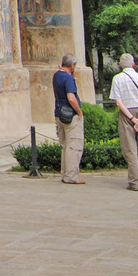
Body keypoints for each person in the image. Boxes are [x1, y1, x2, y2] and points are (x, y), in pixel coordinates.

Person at [109, 52, 138, 191]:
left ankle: (134, 182)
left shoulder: (117, 79)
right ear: (134, 64)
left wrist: (131, 118)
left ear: (120, 64)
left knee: (131, 149)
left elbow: (118, 102)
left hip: (126, 113)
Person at [52, 53, 85, 184]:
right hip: (70, 115)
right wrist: (79, 111)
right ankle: (71, 176)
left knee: (65, 146)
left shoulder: (56, 75)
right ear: (72, 65)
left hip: (59, 113)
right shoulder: (68, 78)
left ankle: (65, 173)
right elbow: (71, 97)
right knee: (74, 146)